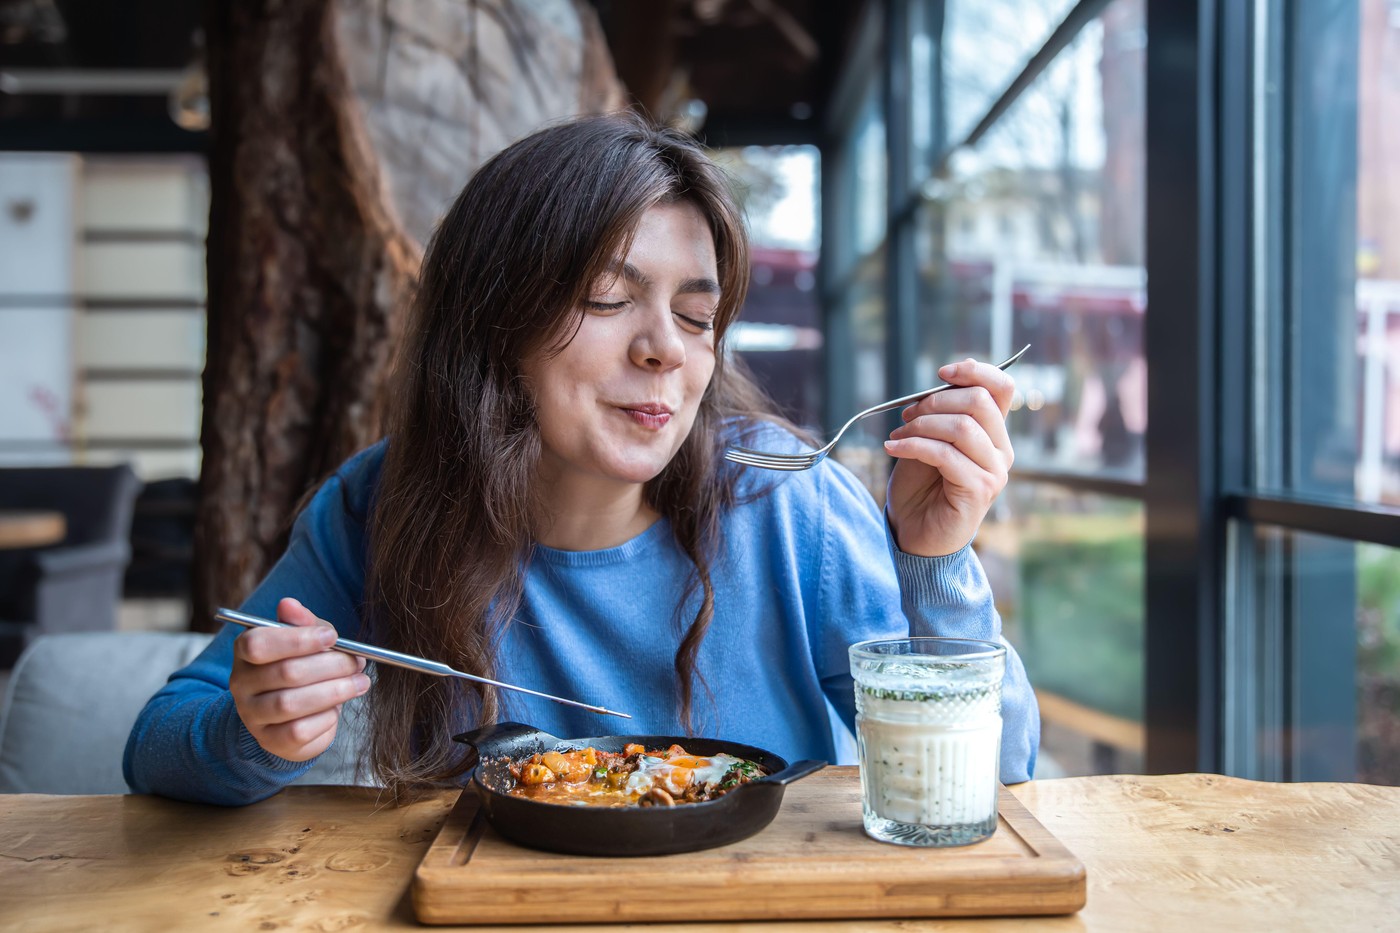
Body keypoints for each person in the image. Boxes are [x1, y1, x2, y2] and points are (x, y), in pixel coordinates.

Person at [124, 113, 1038, 805]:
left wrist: (933, 561)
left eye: (695, 315)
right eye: (608, 298)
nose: (665, 349)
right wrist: (256, 727)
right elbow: (157, 746)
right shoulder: (384, 502)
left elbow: (997, 772)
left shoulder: (788, 503)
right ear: (495, 322)